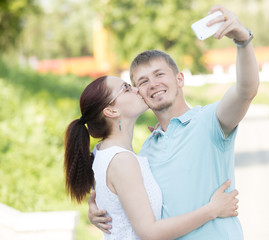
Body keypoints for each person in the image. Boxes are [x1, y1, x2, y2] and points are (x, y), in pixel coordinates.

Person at [89, 4, 259, 239]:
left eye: (159, 74)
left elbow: (245, 90)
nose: (153, 84)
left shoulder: (211, 121)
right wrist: (99, 208)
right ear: (139, 92)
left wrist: (243, 41)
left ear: (179, 79)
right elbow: (133, 198)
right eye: (143, 81)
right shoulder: (147, 149)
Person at [64, 75, 239, 240]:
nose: (137, 90)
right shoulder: (122, 160)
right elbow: (149, 232)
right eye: (126, 88)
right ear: (111, 110)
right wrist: (213, 210)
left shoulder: (101, 152)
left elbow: (114, 205)